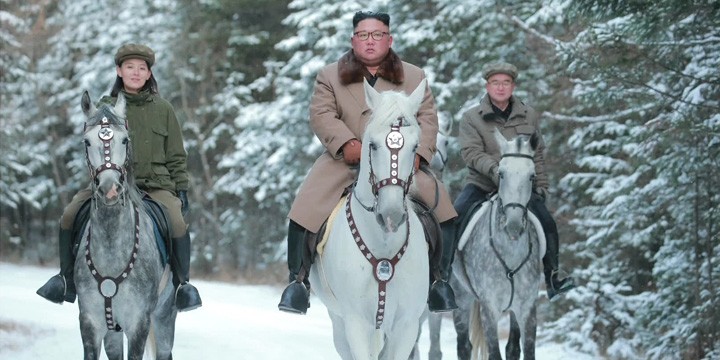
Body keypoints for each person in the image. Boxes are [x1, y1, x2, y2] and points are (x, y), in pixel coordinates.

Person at [277, 11, 459, 314]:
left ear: (389, 39)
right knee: (303, 210)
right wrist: (347, 143)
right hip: (345, 161)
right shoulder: (330, 75)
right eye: (363, 35)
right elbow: (321, 114)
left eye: (377, 35)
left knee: (446, 212)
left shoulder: (414, 76)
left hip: (398, 163)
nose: (370, 41)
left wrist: (418, 155)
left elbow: (427, 117)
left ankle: (439, 280)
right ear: (353, 39)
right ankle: (298, 281)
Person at [36, 43, 202, 311]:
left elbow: (176, 155)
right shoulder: (105, 107)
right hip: (109, 183)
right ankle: (65, 279)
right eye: (129, 67)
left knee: (177, 223)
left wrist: (181, 189)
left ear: (149, 74)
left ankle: (183, 286)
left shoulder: (164, 109)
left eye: (141, 68)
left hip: (156, 185)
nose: (136, 73)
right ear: (119, 71)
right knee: (69, 214)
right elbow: (93, 146)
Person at [452, 61, 575, 300]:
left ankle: (553, 278)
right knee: (452, 220)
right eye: (496, 83)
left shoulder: (529, 115)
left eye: (506, 83)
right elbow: (471, 153)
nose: (501, 88)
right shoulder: (471, 117)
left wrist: (541, 184)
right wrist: (497, 171)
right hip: (482, 183)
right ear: (487, 86)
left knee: (548, 223)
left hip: (521, 188)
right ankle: (441, 280)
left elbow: (536, 153)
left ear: (513, 86)